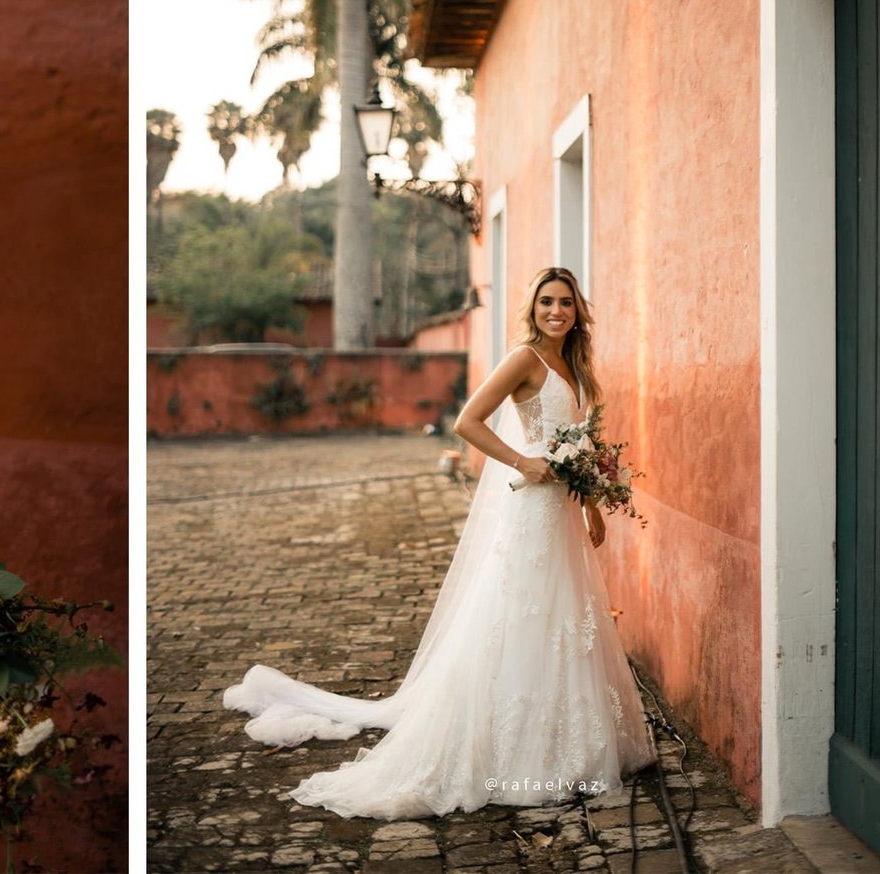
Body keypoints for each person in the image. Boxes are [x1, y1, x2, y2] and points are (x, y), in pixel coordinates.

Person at [225, 266, 656, 819]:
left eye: (566, 303)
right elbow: (467, 421)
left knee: (566, 620)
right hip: (530, 510)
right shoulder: (524, 359)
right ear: (533, 308)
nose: (556, 311)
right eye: (547, 301)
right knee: (522, 618)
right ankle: (513, 748)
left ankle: (570, 743)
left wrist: (593, 506)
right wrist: (524, 459)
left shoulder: (576, 366)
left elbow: (582, 446)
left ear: (578, 312)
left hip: (563, 514)